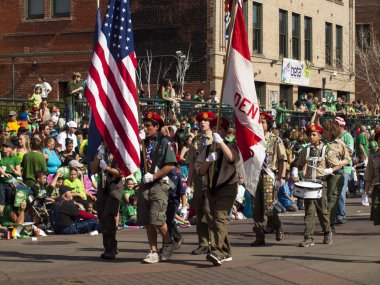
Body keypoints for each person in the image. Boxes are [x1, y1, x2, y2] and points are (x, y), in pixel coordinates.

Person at [195, 117, 239, 265]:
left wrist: (220, 142)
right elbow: (200, 171)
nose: (215, 131)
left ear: (226, 132)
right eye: (214, 128)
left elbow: (232, 158)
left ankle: (216, 251)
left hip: (227, 187)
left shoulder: (231, 145)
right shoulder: (207, 149)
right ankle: (226, 251)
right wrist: (208, 160)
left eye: (219, 129)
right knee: (212, 218)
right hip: (211, 187)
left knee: (220, 217)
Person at [137, 111, 177, 264]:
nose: (145, 129)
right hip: (145, 184)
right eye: (144, 125)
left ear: (157, 126)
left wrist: (154, 176)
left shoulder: (165, 142)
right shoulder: (143, 142)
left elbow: (170, 164)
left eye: (148, 126)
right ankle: (153, 251)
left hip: (159, 183)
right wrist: (138, 143)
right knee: (148, 220)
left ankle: (168, 242)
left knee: (157, 218)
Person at [251, 112, 286, 246]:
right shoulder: (253, 140)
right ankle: (260, 236)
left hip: (269, 175)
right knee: (256, 207)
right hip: (254, 175)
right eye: (258, 123)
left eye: (263, 122)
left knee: (268, 206)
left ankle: (277, 225)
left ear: (269, 124)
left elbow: (283, 159)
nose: (260, 125)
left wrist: (281, 176)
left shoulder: (275, 139)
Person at [293, 125, 331, 247]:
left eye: (314, 134)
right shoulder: (306, 150)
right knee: (309, 211)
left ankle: (327, 232)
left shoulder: (327, 149)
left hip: (321, 183)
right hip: (309, 184)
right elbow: (299, 164)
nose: (311, 137)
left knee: (322, 211)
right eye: (310, 135)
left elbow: (335, 165)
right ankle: (308, 237)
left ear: (320, 136)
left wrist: (329, 172)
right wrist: (297, 173)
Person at [186, 111, 215, 255]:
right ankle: (203, 243)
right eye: (200, 121)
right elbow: (191, 164)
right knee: (200, 211)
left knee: (210, 211)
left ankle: (215, 243)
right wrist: (188, 183)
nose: (202, 123)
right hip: (198, 180)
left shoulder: (215, 139)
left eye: (206, 121)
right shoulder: (196, 140)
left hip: (212, 179)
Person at [90, 142, 124, 259]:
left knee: (109, 215)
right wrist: (98, 157)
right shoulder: (100, 151)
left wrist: (107, 168)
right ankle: (107, 248)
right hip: (102, 186)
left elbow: (121, 172)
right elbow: (93, 170)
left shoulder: (118, 152)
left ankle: (112, 248)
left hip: (115, 187)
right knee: (102, 217)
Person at [322, 119, 351, 233]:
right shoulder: (322, 143)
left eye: (326, 130)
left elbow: (347, 159)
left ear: (331, 131)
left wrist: (338, 164)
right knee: (321, 201)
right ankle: (327, 223)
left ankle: (329, 225)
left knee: (331, 200)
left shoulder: (339, 143)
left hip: (336, 175)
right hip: (322, 174)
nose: (324, 132)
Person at [335, 117, 354, 224]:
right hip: (334, 167)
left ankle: (340, 215)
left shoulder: (347, 136)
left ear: (340, 125)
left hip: (344, 168)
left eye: (335, 124)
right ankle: (335, 213)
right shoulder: (334, 136)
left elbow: (350, 152)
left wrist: (337, 152)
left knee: (341, 191)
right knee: (334, 192)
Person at [0, 141, 22, 215]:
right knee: (1, 203)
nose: (4, 148)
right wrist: (4, 173)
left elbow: (19, 174)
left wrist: (13, 169)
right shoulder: (1, 156)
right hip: (1, 183)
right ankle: (1, 221)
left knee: (10, 204)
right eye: (3, 146)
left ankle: (10, 220)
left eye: (6, 147)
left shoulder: (15, 158)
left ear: (11, 148)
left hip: (11, 184)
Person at [364, 130, 380, 225]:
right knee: (377, 210)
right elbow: (369, 175)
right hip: (378, 187)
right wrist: (365, 193)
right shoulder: (373, 156)